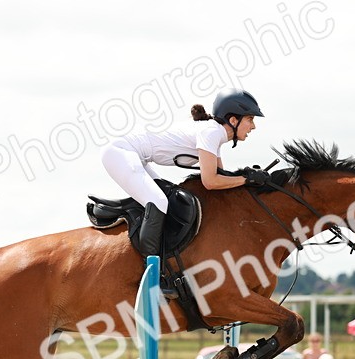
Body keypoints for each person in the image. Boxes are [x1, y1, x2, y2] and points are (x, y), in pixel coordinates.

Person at [99, 90, 267, 277]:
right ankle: (151, 270)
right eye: (250, 119)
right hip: (120, 152)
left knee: (165, 200)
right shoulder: (211, 132)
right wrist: (245, 179)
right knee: (159, 202)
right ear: (234, 120)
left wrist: (249, 177)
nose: (253, 126)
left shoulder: (215, 136)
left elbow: (222, 177)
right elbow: (210, 181)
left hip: (137, 157)